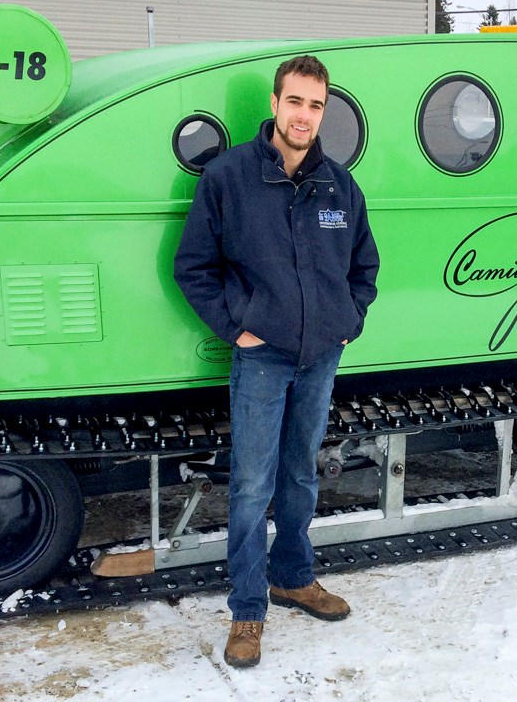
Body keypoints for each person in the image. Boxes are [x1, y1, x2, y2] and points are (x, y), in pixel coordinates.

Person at [173, 55, 380, 669]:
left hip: (320, 357)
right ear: (274, 103)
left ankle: (293, 577)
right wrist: (236, 329)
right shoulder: (229, 177)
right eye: (295, 102)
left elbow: (364, 266)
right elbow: (193, 268)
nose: (304, 116)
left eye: (316, 105)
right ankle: (247, 610)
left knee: (300, 474)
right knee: (251, 485)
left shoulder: (339, 185)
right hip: (262, 357)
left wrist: (348, 321)